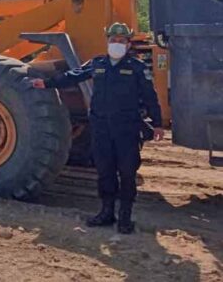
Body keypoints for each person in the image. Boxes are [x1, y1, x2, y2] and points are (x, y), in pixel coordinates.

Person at [30, 23, 163, 234]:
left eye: (121, 41)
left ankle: (125, 217)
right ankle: (106, 213)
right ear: (107, 42)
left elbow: (150, 97)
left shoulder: (137, 68)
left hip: (127, 128)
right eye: (113, 40)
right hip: (101, 127)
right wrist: (47, 84)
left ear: (128, 44)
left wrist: (157, 124)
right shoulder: (97, 63)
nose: (117, 44)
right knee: (104, 171)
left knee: (127, 172)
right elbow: (73, 76)